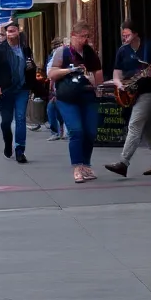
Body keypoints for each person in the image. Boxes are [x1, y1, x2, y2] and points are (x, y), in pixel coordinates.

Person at [104, 20, 151, 178]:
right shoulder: (122, 51)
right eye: (123, 35)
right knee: (149, 129)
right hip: (130, 92)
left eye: (127, 34)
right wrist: (119, 84)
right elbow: (116, 73)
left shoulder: (150, 47)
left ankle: (123, 162)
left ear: (136, 33)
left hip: (148, 91)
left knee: (135, 124)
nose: (125, 37)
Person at [48, 23, 103, 183]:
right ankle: (77, 167)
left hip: (87, 95)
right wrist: (70, 70)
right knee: (76, 130)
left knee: (91, 131)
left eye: (87, 36)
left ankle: (86, 164)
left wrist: (94, 80)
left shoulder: (90, 52)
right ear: (73, 35)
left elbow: (98, 75)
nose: (84, 39)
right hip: (68, 97)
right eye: (82, 36)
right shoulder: (63, 52)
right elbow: (52, 73)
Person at [0, 21, 34, 163]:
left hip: (22, 89)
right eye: (9, 31)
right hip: (6, 90)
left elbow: (31, 66)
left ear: (18, 32)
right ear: (6, 33)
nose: (11, 34)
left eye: (13, 31)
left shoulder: (25, 49)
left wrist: (31, 68)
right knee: (6, 122)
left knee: (20, 118)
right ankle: (8, 143)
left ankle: (20, 150)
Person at [45, 38, 67, 141]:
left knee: (56, 108)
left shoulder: (65, 55)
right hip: (55, 88)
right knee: (53, 108)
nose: (56, 48)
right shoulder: (51, 57)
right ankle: (58, 131)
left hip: (61, 87)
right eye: (55, 46)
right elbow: (51, 73)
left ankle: (60, 131)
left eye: (58, 45)